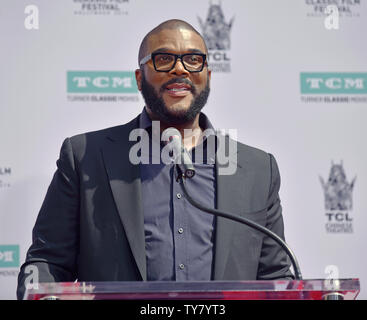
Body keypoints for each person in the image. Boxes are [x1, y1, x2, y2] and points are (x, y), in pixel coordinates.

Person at [17, 19, 293, 299]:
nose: (180, 68)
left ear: (208, 75)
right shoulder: (85, 156)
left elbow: (276, 278)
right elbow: (47, 263)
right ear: (139, 78)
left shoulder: (258, 169)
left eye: (193, 60)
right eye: (163, 59)